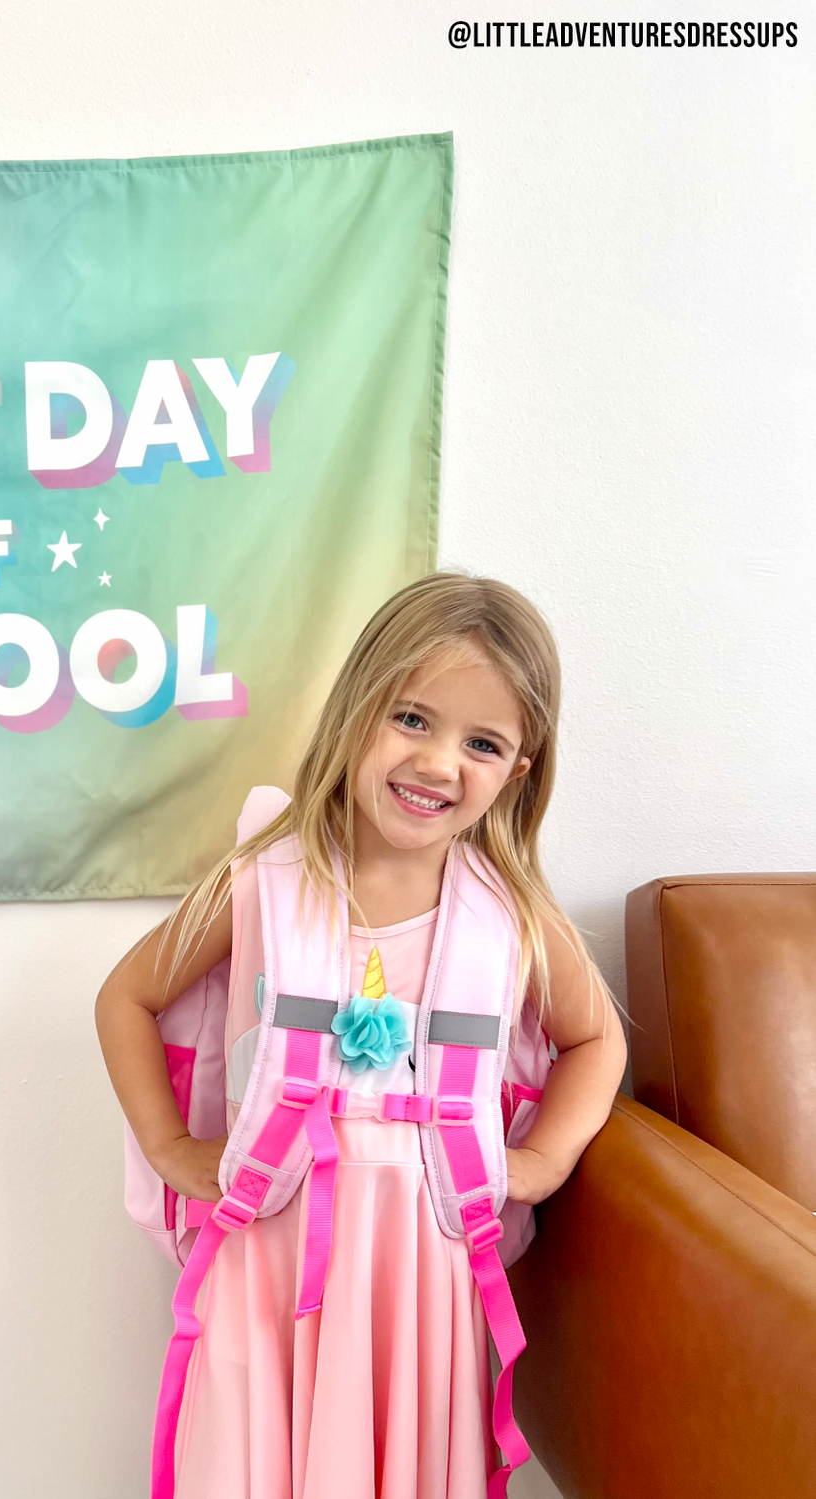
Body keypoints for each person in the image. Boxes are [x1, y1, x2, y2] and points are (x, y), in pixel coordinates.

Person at [95, 573, 627, 1499]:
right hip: (272, 1254)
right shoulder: (266, 876)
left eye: (482, 742)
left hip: (418, 1276)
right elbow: (125, 998)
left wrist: (538, 1161)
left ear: (518, 770)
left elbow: (597, 1041)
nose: (436, 763)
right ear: (356, 711)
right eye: (411, 719)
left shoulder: (509, 914)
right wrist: (172, 1146)